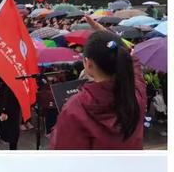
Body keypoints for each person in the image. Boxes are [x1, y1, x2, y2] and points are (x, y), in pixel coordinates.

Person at [50, 18, 146, 149]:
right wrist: (108, 37)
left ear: (88, 64)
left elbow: (64, 161)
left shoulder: (74, 109)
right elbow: (129, 56)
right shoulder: (135, 94)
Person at [0, 78, 22, 150]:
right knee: (13, 131)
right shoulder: (17, 83)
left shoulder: (8, 84)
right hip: (14, 110)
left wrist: (3, 111)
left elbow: (5, 97)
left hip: (10, 111)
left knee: (12, 132)